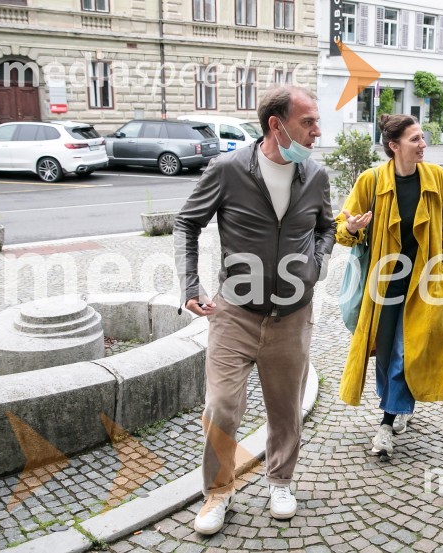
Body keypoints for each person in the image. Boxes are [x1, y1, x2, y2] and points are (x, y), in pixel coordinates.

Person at [174, 85, 335, 534]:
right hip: (235, 313)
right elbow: (187, 221)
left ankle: (280, 480)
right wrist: (190, 283)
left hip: (293, 315)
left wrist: (317, 265)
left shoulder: (315, 175)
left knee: (286, 408)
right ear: (276, 125)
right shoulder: (228, 170)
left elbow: (328, 225)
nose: (317, 131)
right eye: (308, 123)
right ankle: (217, 493)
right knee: (222, 406)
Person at [336, 114, 443, 458]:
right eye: (415, 139)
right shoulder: (371, 181)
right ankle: (398, 403)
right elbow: (342, 228)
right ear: (394, 146)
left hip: (423, 284)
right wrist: (353, 228)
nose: (423, 145)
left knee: (409, 350)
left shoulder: (437, 178)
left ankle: (387, 423)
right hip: (383, 285)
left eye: (423, 137)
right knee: (385, 350)